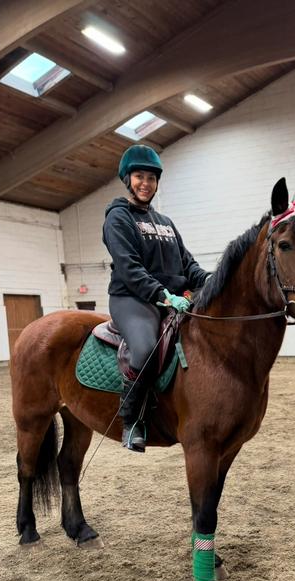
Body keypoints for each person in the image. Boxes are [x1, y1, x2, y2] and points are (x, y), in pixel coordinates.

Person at [103, 145, 210, 452]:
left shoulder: (165, 222)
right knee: (146, 349)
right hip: (132, 299)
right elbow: (129, 268)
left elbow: (187, 264)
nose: (145, 183)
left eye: (151, 177)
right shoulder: (118, 218)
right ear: (128, 178)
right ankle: (132, 420)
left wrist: (208, 280)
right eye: (139, 176)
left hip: (171, 299)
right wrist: (163, 296)